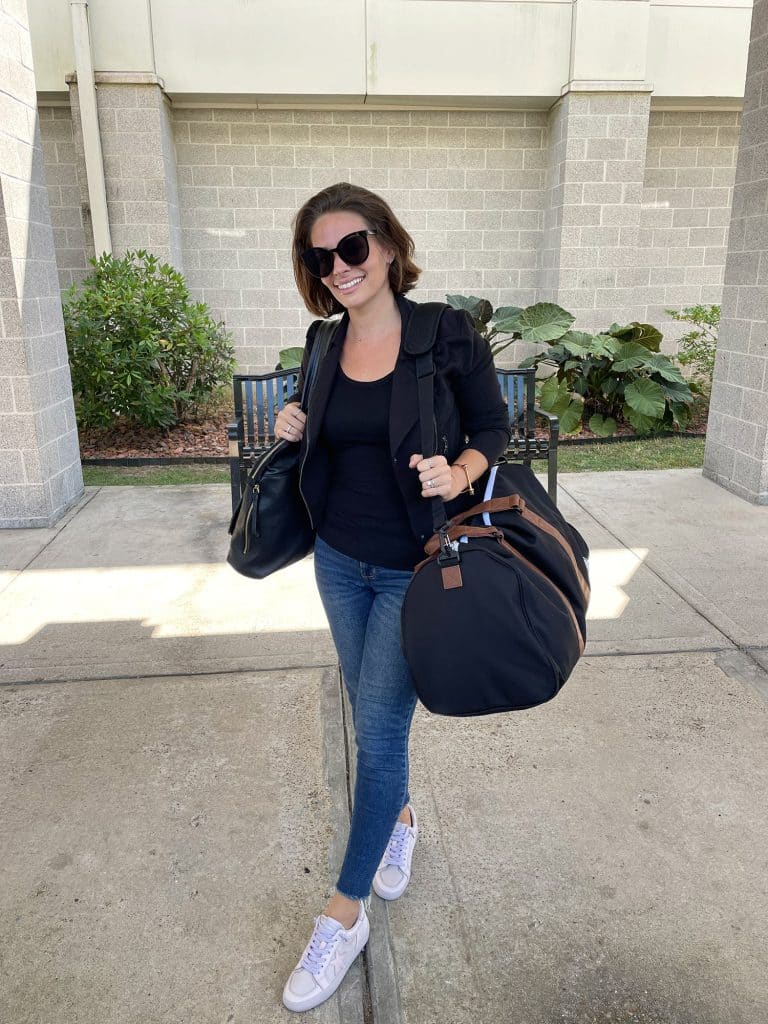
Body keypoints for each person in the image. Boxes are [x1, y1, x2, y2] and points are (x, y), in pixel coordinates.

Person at [274, 182, 511, 1013]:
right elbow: (325, 427)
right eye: (320, 255)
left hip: (417, 566)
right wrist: (294, 421)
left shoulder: (444, 333)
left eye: (352, 248)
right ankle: (400, 820)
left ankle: (344, 915)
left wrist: (462, 471)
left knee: (376, 730)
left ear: (386, 245)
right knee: (366, 705)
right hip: (338, 561)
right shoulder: (322, 341)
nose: (338, 267)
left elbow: (493, 428)